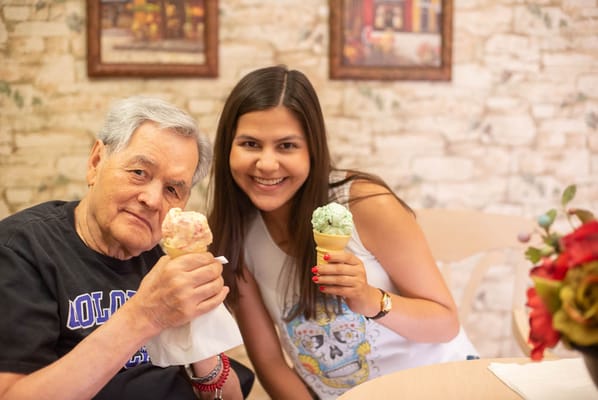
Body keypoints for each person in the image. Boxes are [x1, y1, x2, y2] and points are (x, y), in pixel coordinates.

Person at [207, 66, 479, 399]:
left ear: (312, 149)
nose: (266, 163)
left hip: (443, 387)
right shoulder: (236, 236)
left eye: (286, 146)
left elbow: (445, 324)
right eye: (250, 143)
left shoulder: (366, 205)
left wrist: (369, 299)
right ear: (227, 148)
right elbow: (270, 363)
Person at [0, 96, 251, 400]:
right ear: (96, 162)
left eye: (172, 189)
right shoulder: (21, 251)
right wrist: (145, 315)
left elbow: (231, 396)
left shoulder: (162, 261)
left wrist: (200, 334)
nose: (153, 199)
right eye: (139, 173)